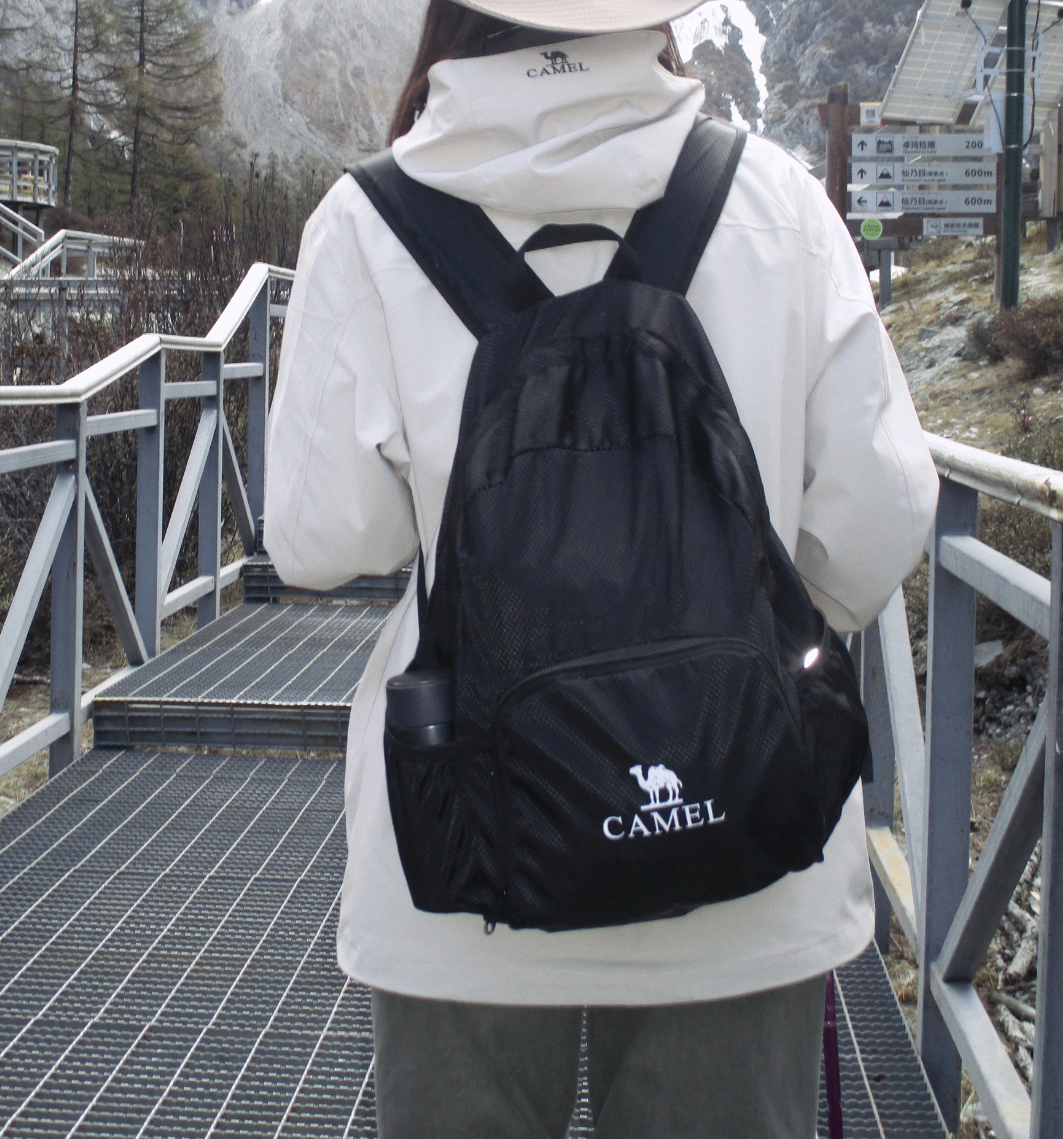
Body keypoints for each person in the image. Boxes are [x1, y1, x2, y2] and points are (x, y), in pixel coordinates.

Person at [264, 2, 940, 1135]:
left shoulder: (366, 221)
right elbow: (882, 515)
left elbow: (324, 540)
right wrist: (731, 641)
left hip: (464, 859)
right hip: (744, 858)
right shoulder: (777, 202)